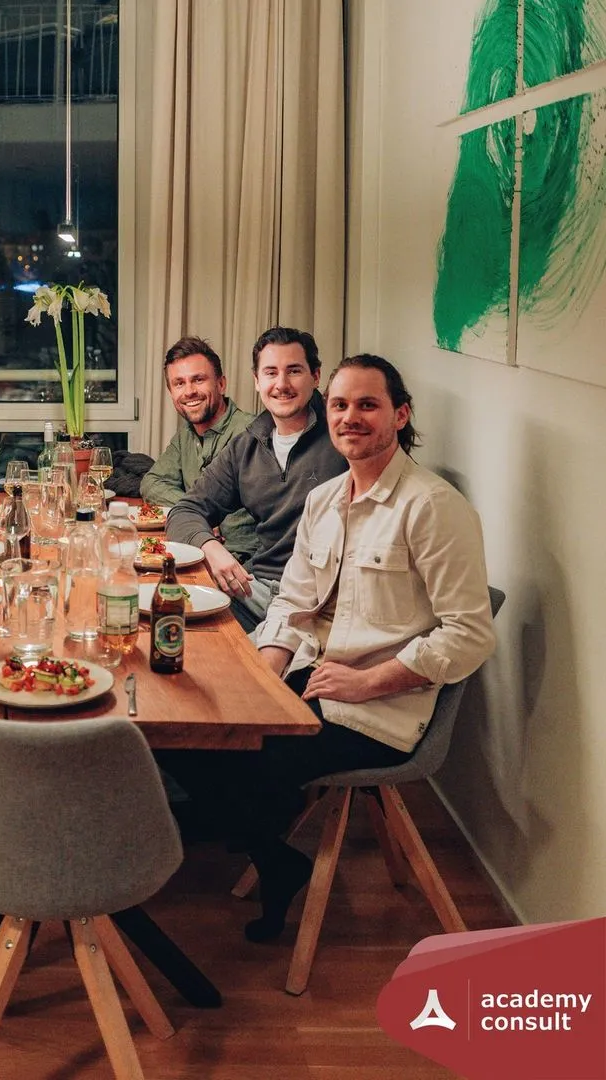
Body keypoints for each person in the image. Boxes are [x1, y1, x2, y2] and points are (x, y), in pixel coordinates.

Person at [162, 355, 496, 944]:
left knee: (246, 761)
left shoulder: (432, 508)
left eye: (367, 405)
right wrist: (264, 678)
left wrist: (369, 682)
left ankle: (265, 855)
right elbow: (293, 603)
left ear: (401, 414)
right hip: (313, 677)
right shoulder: (326, 499)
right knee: (191, 730)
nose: (350, 418)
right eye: (341, 405)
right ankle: (274, 855)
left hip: (378, 708)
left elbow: (469, 634)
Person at [165, 326, 347, 631]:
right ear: (256, 380)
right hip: (256, 590)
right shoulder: (249, 443)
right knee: (169, 615)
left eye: (294, 371)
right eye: (271, 373)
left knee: (228, 667)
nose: (281, 384)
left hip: (319, 602)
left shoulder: (342, 435)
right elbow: (185, 511)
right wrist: (210, 547)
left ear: (316, 376)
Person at [139, 336, 260, 562]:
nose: (189, 391)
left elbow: (243, 529)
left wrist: (195, 517)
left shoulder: (251, 433)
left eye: (198, 379)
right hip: (199, 554)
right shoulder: (186, 433)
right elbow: (152, 482)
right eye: (179, 383)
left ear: (221, 384)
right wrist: (195, 514)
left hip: (243, 567)